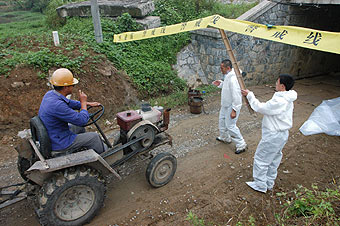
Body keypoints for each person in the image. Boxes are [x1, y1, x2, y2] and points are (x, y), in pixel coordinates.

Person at [241, 74, 297, 193]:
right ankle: (269, 182)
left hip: (274, 135)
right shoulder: (287, 97)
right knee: (274, 158)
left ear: (282, 86)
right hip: (282, 134)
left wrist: (250, 96)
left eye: (277, 82)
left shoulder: (280, 100)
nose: (275, 84)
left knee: (262, 159)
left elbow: (262, 108)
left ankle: (260, 185)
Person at [39, 68, 107, 156]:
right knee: (94, 137)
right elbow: (82, 120)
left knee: (78, 128)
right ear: (66, 87)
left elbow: (70, 103)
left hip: (53, 134)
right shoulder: (58, 105)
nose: (73, 87)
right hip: (59, 142)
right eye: (72, 85)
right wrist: (83, 103)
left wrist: (87, 103)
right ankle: (106, 158)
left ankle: (82, 147)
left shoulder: (50, 94)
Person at [212, 59, 247, 154]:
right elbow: (227, 87)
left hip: (231, 106)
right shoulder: (228, 75)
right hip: (225, 105)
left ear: (228, 68)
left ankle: (241, 144)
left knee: (230, 126)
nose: (220, 69)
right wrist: (221, 84)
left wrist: (234, 110)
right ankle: (225, 137)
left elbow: (236, 95)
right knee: (222, 122)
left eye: (222, 68)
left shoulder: (233, 79)